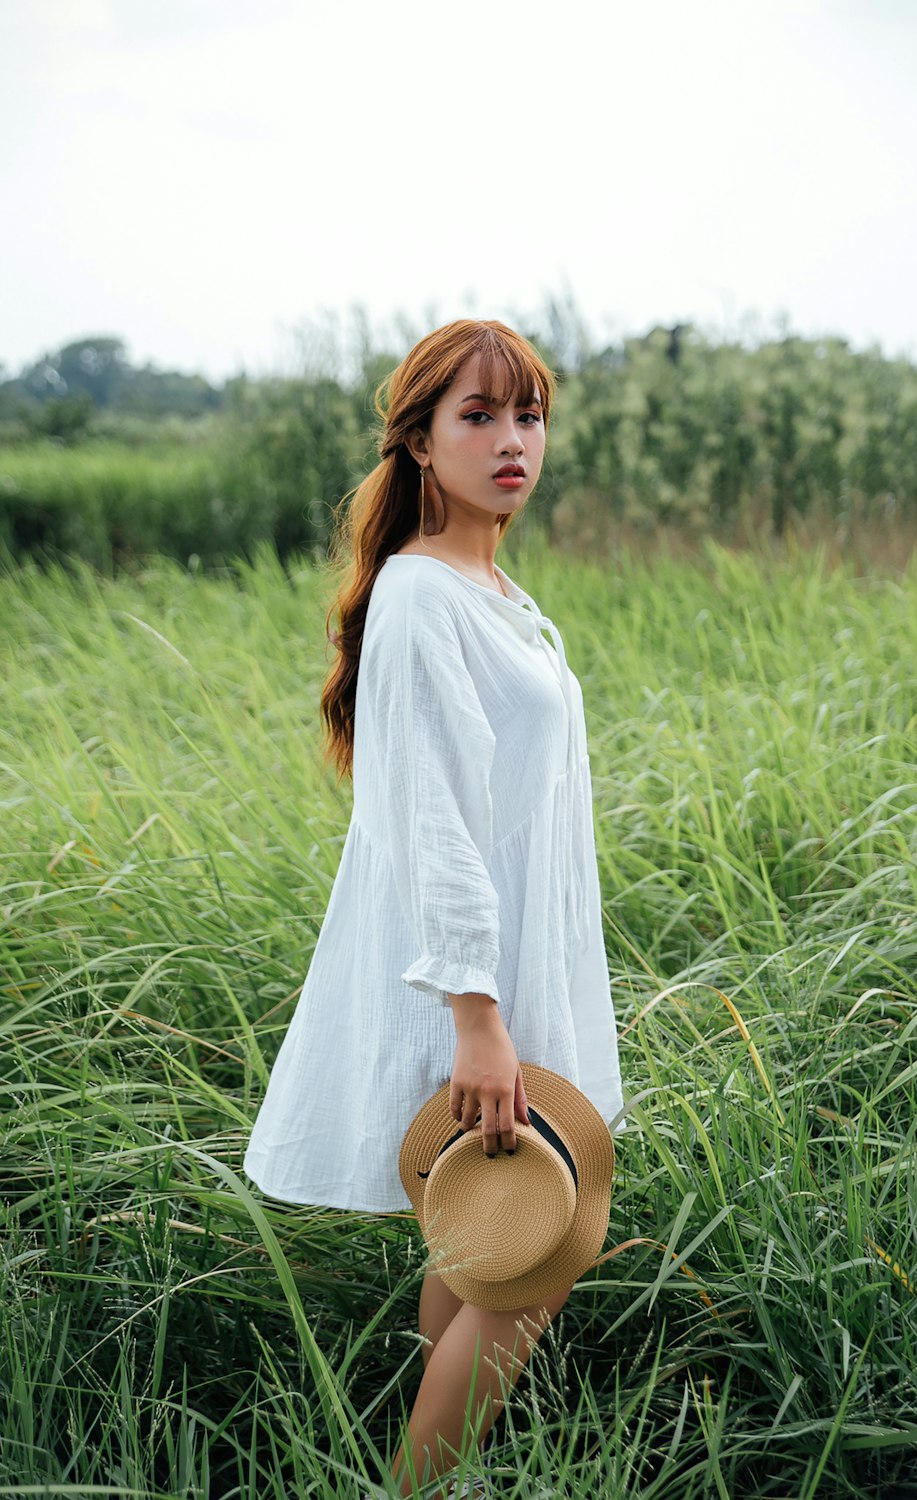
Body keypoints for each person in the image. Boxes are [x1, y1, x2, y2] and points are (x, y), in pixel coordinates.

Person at [242, 318, 625, 1497]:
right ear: (417, 440)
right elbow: (431, 821)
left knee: (489, 1240)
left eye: (530, 416)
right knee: (543, 1253)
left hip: (520, 967)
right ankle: (417, 1489)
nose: (514, 442)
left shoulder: (492, 586)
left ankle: (425, 1465)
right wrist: (477, 1015)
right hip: (478, 984)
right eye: (479, 416)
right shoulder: (419, 594)